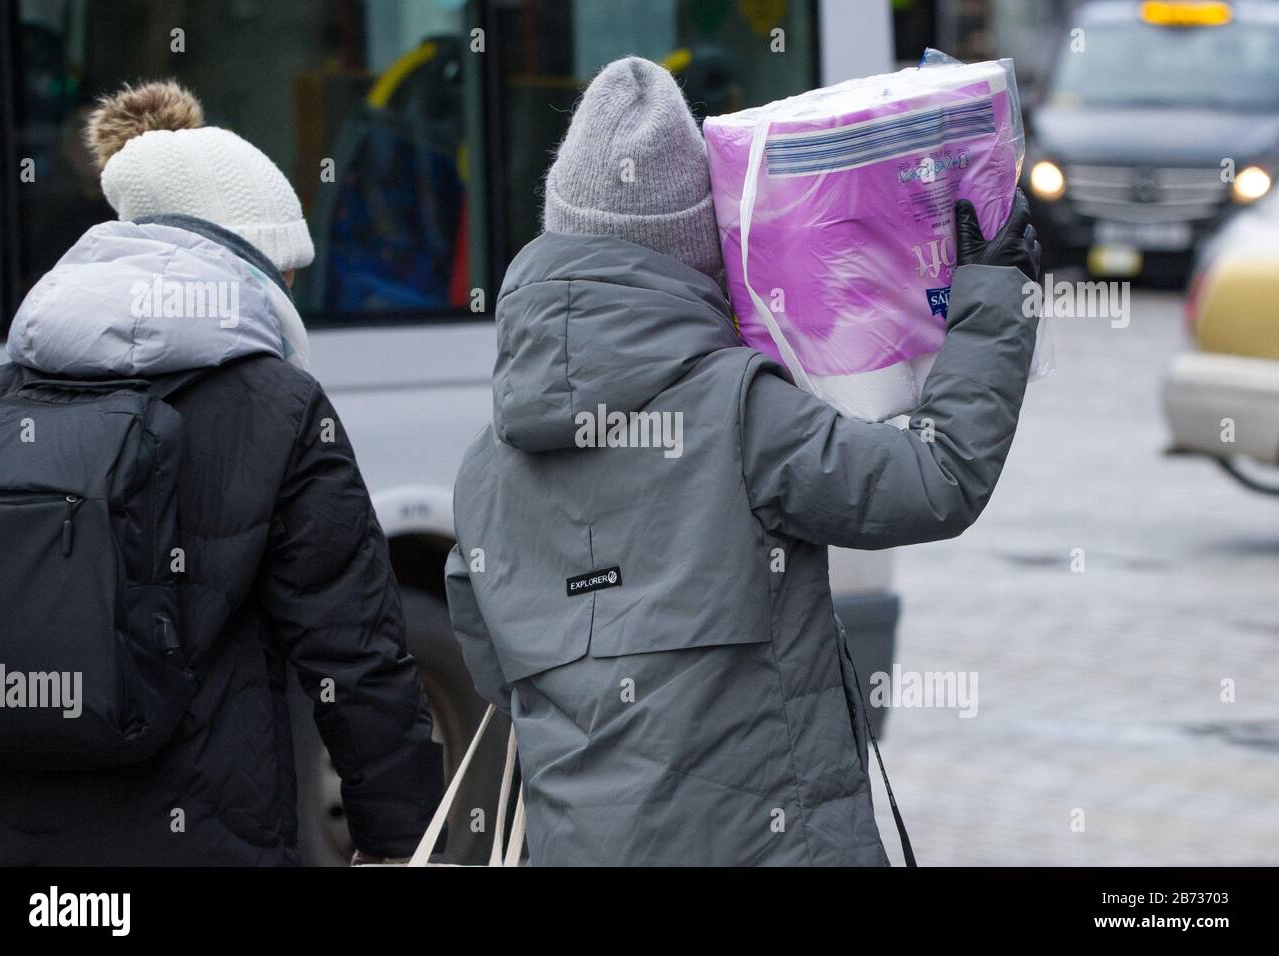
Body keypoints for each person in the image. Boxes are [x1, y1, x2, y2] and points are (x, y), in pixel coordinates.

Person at [445, 57, 1041, 865]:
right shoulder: (742, 412)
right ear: (701, 248)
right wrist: (992, 293)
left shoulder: (486, 466)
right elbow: (935, 480)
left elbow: (491, 667)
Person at [0, 81, 439, 865]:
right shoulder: (280, 408)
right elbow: (354, 660)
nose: (292, 287)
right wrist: (408, 845)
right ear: (244, 263)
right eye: (284, 266)